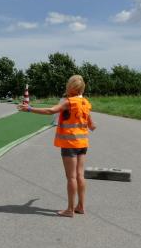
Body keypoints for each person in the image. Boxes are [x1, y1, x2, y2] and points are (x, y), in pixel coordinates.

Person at [20, 75, 96, 217]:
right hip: (82, 144)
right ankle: (81, 206)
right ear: (82, 89)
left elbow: (50, 111)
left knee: (71, 177)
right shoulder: (85, 103)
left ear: (70, 87)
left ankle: (70, 209)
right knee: (80, 175)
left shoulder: (69, 102)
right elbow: (92, 125)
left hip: (69, 143)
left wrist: (29, 109)